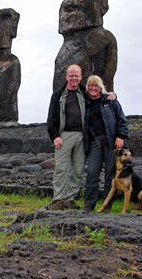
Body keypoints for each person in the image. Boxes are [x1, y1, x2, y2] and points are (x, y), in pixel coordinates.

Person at [46, 65, 116, 210]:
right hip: (64, 135)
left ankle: (70, 199)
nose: (74, 78)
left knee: (78, 169)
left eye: (76, 76)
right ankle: (58, 199)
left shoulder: (84, 92)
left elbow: (99, 95)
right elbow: (51, 118)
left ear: (80, 77)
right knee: (61, 168)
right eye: (71, 75)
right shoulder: (58, 94)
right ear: (66, 77)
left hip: (83, 136)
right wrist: (55, 136)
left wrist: (113, 95)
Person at [82, 75, 128, 212]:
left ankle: (107, 206)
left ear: (100, 87)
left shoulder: (110, 101)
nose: (93, 88)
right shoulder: (85, 102)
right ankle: (88, 205)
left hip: (111, 140)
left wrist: (121, 136)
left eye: (96, 85)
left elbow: (121, 119)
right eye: (91, 85)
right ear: (87, 88)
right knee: (91, 173)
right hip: (94, 141)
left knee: (110, 174)